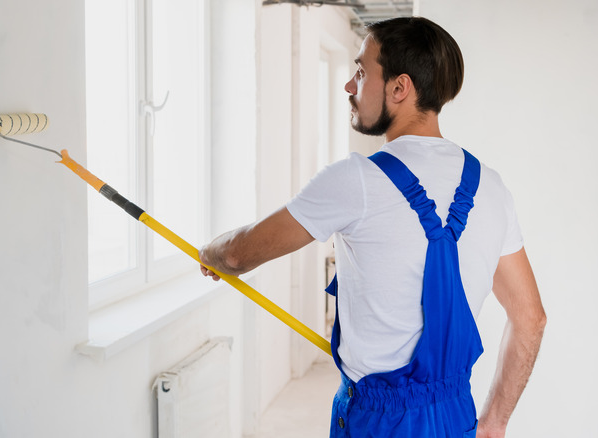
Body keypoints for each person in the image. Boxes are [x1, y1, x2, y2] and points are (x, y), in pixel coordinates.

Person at [199, 16, 546, 438]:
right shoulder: (491, 186)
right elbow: (531, 317)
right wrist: (495, 422)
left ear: (400, 88)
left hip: (380, 421)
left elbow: (238, 253)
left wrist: (209, 254)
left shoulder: (356, 180)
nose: (350, 86)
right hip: (457, 414)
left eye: (362, 72)